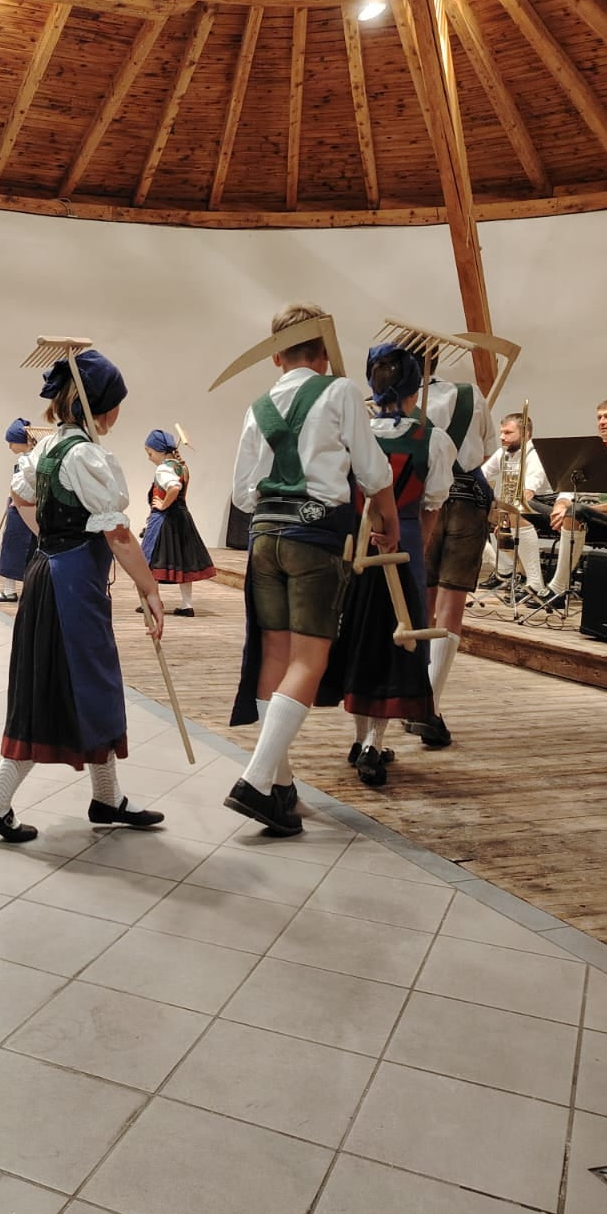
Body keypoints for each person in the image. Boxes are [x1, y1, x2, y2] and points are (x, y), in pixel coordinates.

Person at [0, 349, 165, 844]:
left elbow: (21, 496)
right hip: (70, 587)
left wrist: (52, 539)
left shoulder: (49, 447)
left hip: (49, 574)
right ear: (104, 408)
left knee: (83, 684)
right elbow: (118, 533)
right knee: (69, 687)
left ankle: (107, 798)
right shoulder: (86, 455)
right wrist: (149, 587)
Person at [227, 303, 397, 835]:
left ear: (276, 356)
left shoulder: (258, 406)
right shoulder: (342, 391)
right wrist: (389, 523)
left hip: (263, 537)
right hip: (316, 536)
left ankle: (279, 785)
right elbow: (373, 472)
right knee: (309, 659)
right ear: (325, 351)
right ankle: (255, 781)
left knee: (274, 655)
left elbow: (242, 493)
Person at [322, 346, 456, 788]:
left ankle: (360, 738)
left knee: (359, 637)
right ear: (415, 389)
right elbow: (433, 505)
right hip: (406, 545)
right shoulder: (432, 439)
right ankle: (372, 745)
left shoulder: (352, 436)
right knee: (395, 645)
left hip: (356, 547)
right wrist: (415, 540)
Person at [419, 357, 498, 747]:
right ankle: (429, 708)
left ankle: (409, 698)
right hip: (468, 499)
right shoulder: (470, 394)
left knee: (421, 604)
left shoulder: (399, 400)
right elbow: (486, 452)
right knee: (451, 606)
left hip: (423, 502)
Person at [537, 396, 607, 611]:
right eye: (599, 417)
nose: (602, 422)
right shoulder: (592, 451)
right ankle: (530, 581)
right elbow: (569, 485)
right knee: (522, 506)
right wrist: (560, 505)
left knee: (576, 510)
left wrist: (575, 509)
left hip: (601, 517)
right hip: (575, 511)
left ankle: (558, 588)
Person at [139, 428, 215, 616]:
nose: (149, 458)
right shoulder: (182, 467)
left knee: (152, 559)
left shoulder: (164, 468)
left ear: (160, 451)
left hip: (165, 521)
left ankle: (152, 602)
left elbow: (174, 487)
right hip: (182, 517)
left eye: (150, 453)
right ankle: (186, 605)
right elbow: (182, 493)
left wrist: (163, 505)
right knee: (183, 560)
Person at [481, 412, 550, 600]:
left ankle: (535, 582)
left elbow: (528, 492)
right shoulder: (503, 452)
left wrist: (505, 511)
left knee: (512, 512)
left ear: (525, 434)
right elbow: (482, 475)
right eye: (501, 432)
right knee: (475, 512)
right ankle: (504, 569)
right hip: (515, 507)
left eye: (508, 433)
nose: (502, 437)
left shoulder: (535, 454)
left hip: (543, 505)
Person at [0, 418, 38, 603]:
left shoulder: (31, 460)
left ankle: (24, 590)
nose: (9, 446)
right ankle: (10, 589)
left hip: (25, 507)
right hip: (18, 506)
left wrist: (19, 498)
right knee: (12, 548)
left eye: (12, 441)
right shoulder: (26, 459)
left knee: (25, 549)